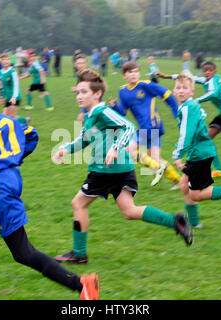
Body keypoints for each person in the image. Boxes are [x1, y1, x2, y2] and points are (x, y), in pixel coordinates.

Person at [0, 66, 99, 300]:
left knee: (22, 252)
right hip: (5, 181)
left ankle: (82, 285)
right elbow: (30, 134)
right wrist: (7, 160)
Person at [52, 69, 193, 264]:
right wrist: (65, 150)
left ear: (97, 94)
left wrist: (115, 148)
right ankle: (176, 222)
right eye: (77, 92)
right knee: (129, 211)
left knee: (78, 204)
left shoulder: (103, 111)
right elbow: (84, 139)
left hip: (104, 170)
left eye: (84, 92)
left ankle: (79, 252)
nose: (79, 96)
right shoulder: (91, 115)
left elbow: (128, 127)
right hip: (119, 170)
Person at [172, 73, 221, 228]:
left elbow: (186, 134)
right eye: (178, 88)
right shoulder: (188, 106)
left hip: (200, 155)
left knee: (196, 194)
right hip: (199, 152)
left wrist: (178, 154)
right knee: (183, 185)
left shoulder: (188, 107)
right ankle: (194, 224)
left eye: (185, 88)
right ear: (174, 91)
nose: (181, 91)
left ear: (192, 92)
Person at [110, 61, 182, 188]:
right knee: (155, 159)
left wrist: (177, 113)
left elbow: (167, 95)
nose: (134, 74)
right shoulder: (123, 91)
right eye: (130, 72)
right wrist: (115, 106)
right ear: (124, 75)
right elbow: (123, 112)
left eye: (136, 71)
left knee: (130, 150)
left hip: (152, 125)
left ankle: (158, 169)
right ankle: (179, 181)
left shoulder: (146, 85)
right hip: (148, 127)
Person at [0, 53, 28, 126]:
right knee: (4, 117)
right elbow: (0, 85)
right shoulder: (0, 72)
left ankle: (24, 130)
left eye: (7, 59)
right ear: (1, 62)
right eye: (3, 60)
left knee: (10, 117)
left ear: (10, 60)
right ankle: (25, 120)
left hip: (15, 97)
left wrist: (14, 97)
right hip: (7, 98)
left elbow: (16, 85)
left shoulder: (13, 71)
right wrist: (1, 97)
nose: (5, 61)